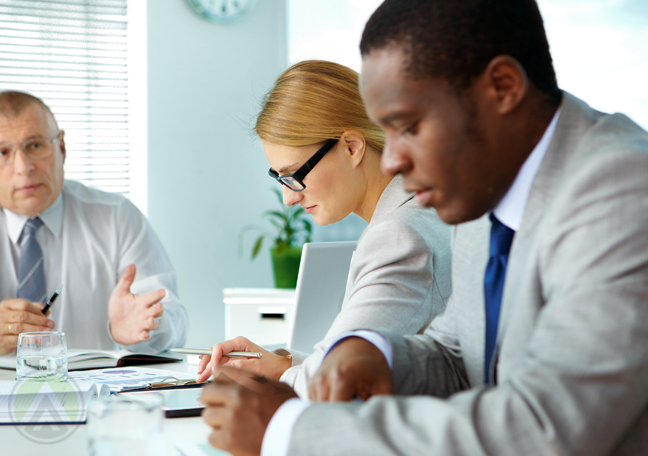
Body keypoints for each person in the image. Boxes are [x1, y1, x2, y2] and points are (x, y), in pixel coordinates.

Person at [200, 0, 648, 455]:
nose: (391, 160)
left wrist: (291, 431)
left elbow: (545, 426)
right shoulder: (484, 192)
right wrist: (378, 352)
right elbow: (460, 356)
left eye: (408, 126)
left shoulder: (622, 187)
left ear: (503, 87)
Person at [196, 60, 452, 395]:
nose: (288, 198)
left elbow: (333, 382)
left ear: (351, 147)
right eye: (279, 179)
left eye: (294, 175)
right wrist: (285, 366)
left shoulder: (398, 238)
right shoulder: (425, 210)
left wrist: (275, 382)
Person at [0, 91, 188, 354]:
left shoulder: (117, 216)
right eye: (3, 152)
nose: (23, 167)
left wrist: (148, 325)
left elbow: (176, 323)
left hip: (98, 393)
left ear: (61, 148)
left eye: (35, 145)